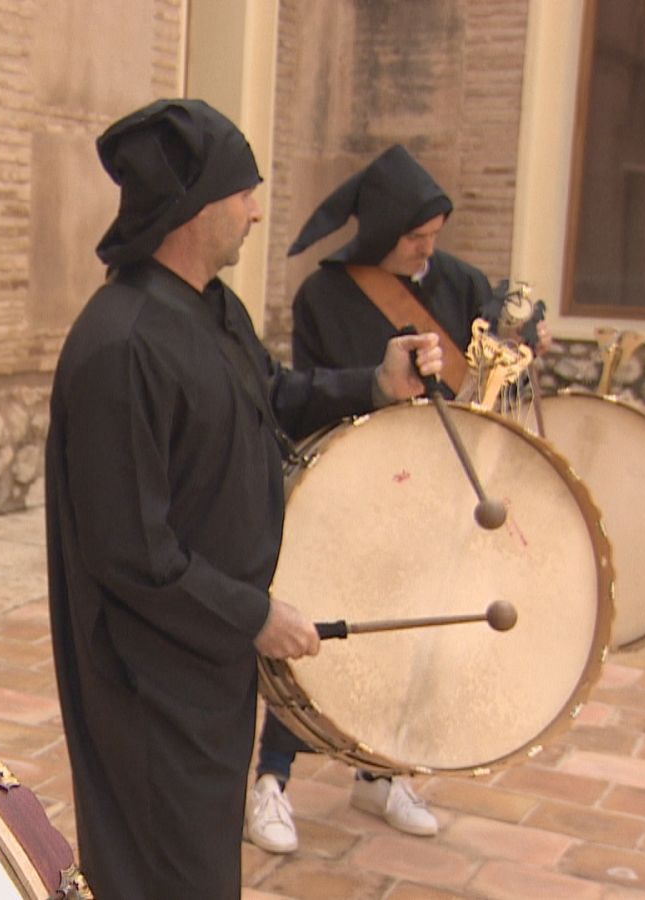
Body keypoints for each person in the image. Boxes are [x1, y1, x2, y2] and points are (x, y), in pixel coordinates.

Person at [45, 99, 442, 899]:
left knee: (198, 865)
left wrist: (374, 382)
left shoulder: (211, 310)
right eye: (245, 192)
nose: (258, 212)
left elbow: (270, 394)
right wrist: (254, 614)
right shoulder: (120, 346)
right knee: (163, 869)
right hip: (148, 677)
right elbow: (132, 554)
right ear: (194, 208)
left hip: (207, 656)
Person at [244, 143, 550, 854]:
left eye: (434, 237)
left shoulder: (461, 281)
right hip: (358, 479)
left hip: (438, 482)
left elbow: (503, 354)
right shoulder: (323, 294)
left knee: (408, 630)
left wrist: (525, 333)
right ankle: (273, 780)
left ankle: (381, 773)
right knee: (322, 628)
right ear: (382, 233)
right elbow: (313, 393)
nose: (428, 251)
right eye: (416, 238)